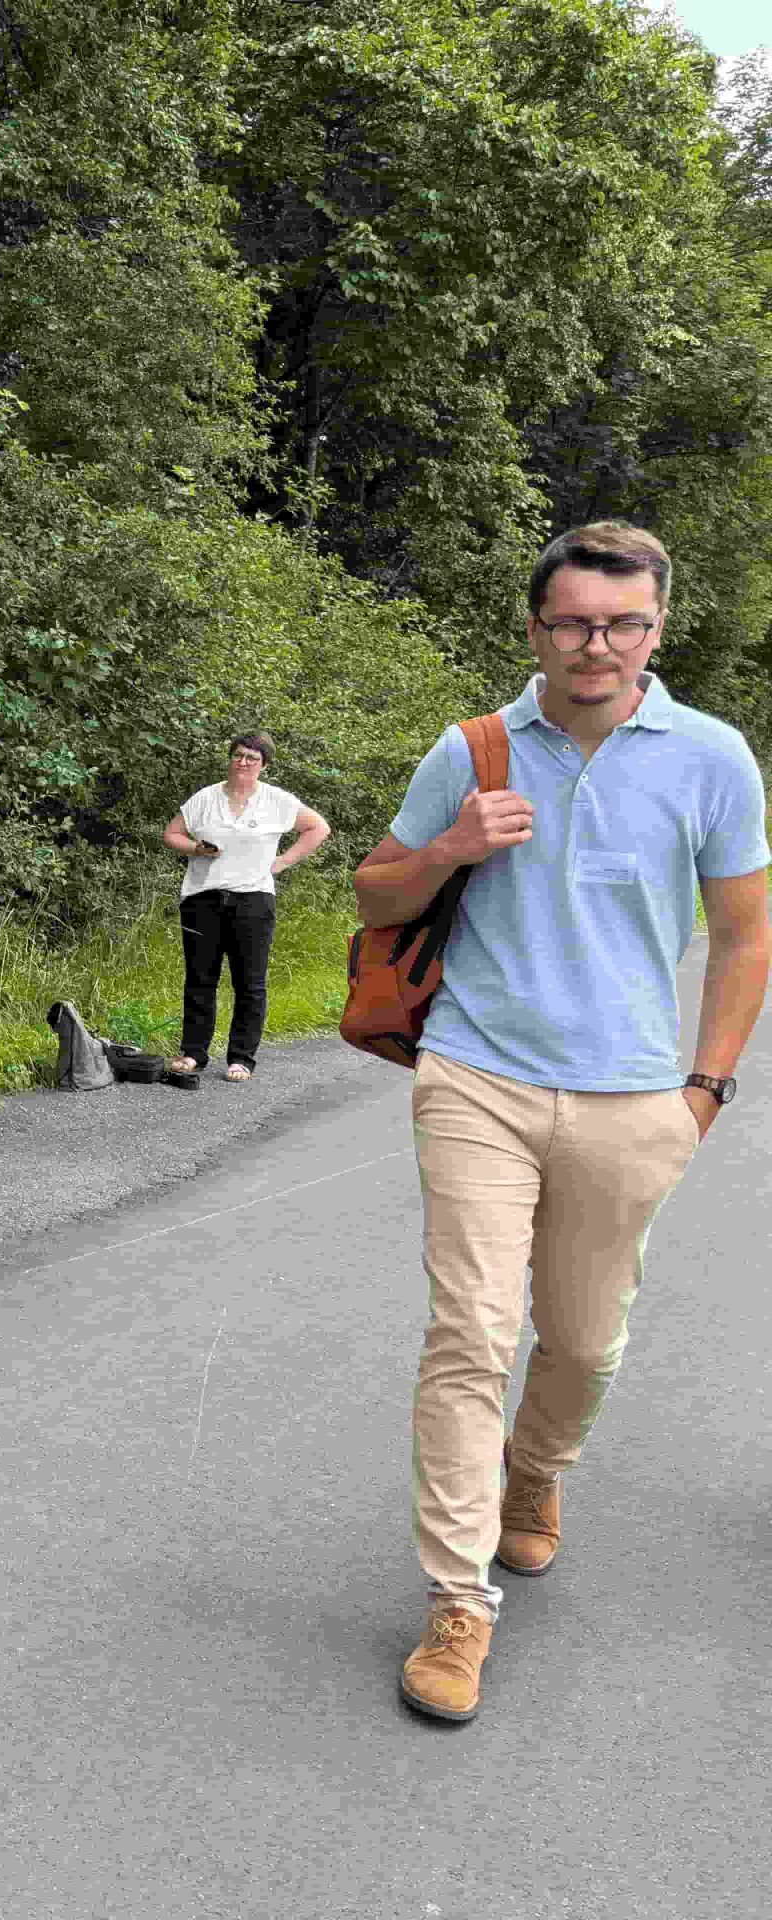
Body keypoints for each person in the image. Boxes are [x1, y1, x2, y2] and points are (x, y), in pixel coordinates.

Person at [355, 522, 769, 1725]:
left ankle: (533, 1479)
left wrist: (704, 1090)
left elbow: (744, 936)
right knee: (469, 1335)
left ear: (656, 628)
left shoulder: (711, 756)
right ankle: (456, 1602)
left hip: (635, 1095)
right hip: (476, 1075)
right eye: (574, 622)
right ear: (534, 628)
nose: (598, 645)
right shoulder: (473, 749)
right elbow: (376, 889)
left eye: (623, 623)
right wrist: (446, 847)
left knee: (584, 1343)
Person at [161, 733, 330, 1082]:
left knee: (250, 982)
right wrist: (195, 848)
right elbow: (171, 834)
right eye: (238, 755)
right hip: (202, 896)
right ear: (230, 759)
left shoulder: (277, 801)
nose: (243, 762)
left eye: (252, 758)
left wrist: (283, 861)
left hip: (253, 898)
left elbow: (318, 828)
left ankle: (241, 1058)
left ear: (263, 765)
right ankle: (193, 1053)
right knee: (200, 978)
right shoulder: (205, 798)